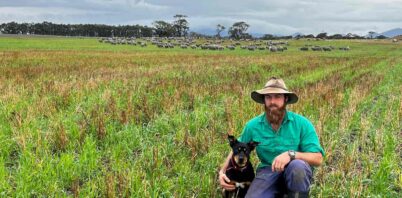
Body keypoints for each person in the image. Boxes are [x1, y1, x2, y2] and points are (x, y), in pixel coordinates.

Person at [219, 77, 325, 198]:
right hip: (267, 172)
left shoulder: (302, 124)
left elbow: (318, 158)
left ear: (285, 99)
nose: (272, 101)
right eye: (268, 97)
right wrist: (222, 172)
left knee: (298, 167)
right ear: (264, 100)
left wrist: (291, 155)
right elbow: (236, 147)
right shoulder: (253, 126)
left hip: (294, 172)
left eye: (277, 96)